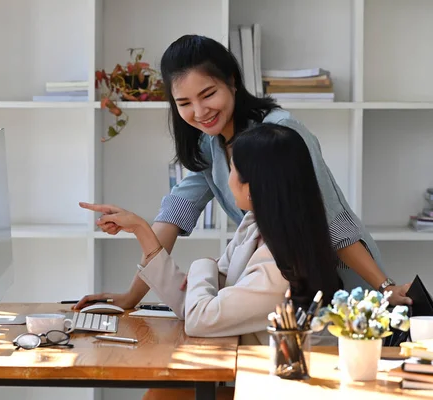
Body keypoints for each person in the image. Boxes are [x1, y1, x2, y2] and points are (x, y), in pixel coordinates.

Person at [76, 34, 410, 311]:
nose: (199, 111)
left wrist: (383, 287)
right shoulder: (209, 143)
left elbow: (332, 220)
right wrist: (131, 297)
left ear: (232, 82)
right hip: (282, 288)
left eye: (208, 94)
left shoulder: (279, 132)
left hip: (340, 282)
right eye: (184, 103)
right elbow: (175, 213)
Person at [79, 122, 342, 344]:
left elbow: (200, 319)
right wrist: (140, 229)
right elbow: (191, 304)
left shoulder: (279, 268)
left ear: (254, 186)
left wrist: (202, 266)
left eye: (233, 169)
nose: (227, 178)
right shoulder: (256, 226)